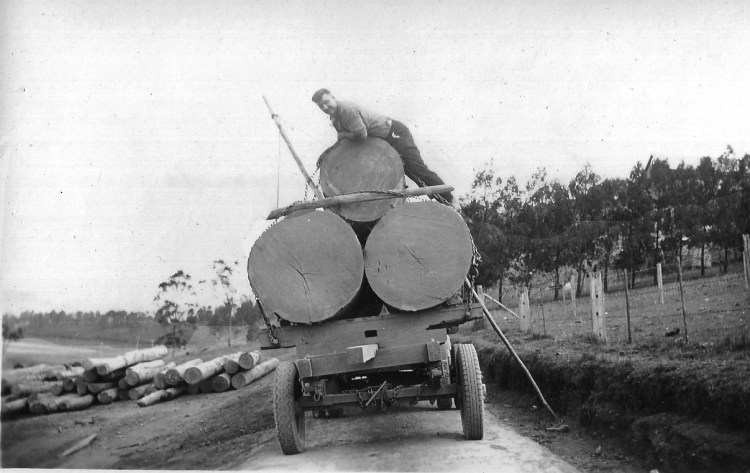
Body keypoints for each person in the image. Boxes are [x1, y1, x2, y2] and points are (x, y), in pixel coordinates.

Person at [311, 88, 454, 204]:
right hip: (382, 142)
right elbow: (345, 142)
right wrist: (328, 153)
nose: (325, 107)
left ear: (333, 97)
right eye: (321, 105)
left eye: (326, 102)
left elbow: (361, 134)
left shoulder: (346, 109)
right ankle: (442, 202)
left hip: (395, 134)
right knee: (406, 173)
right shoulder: (335, 119)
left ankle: (449, 199)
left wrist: (343, 135)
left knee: (417, 170)